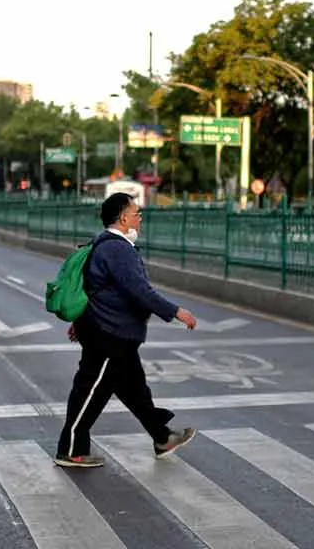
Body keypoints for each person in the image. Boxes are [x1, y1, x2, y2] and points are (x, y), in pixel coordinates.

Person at [54, 192, 198, 468]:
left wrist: (81, 322)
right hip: (110, 334)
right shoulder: (117, 249)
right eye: (136, 213)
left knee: (135, 390)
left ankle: (162, 437)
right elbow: (140, 291)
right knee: (90, 390)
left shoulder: (104, 243)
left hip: (113, 332)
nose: (140, 218)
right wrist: (176, 311)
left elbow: (95, 288)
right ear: (123, 218)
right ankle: (71, 449)